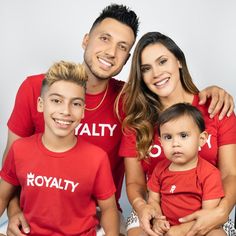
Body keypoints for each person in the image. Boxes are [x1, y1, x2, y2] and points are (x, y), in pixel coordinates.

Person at [1, 4, 235, 236]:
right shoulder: (39, 89)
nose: (111, 52)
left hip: (101, 217)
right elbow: (10, 166)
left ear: (127, 59)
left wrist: (214, 91)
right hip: (33, 215)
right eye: (104, 38)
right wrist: (13, 211)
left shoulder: (128, 102)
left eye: (122, 47)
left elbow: (178, 106)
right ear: (85, 40)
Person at [118, 32, 236, 236]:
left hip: (207, 209)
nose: (156, 73)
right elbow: (135, 183)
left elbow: (229, 174)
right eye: (146, 69)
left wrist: (222, 211)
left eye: (162, 61)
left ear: (179, 61)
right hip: (155, 211)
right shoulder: (136, 122)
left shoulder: (215, 108)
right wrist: (143, 206)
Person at [0, 61, 119, 235]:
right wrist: (13, 213)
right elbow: (2, 196)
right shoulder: (20, 150)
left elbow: (109, 209)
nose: (66, 111)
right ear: (41, 104)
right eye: (56, 101)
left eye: (76, 103)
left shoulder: (96, 158)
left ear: (83, 111)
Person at [145, 103, 226, 236]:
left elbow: (208, 216)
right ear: (160, 141)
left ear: (202, 139)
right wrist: (158, 220)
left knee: (217, 234)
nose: (175, 143)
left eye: (183, 136)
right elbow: (153, 200)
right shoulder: (160, 169)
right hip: (167, 227)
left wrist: (181, 231)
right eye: (168, 137)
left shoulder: (209, 174)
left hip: (198, 228)